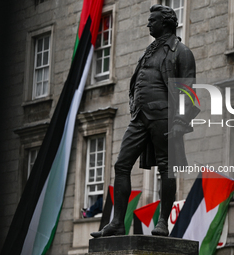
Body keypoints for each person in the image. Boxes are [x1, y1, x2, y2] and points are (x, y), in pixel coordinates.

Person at [90, 5, 198, 238]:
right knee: (121, 165)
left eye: (153, 20)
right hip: (140, 117)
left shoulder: (181, 52)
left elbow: (189, 91)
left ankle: (162, 222)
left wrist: (180, 121)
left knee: (166, 167)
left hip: (164, 116)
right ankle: (118, 222)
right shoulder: (148, 52)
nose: (149, 24)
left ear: (166, 23)